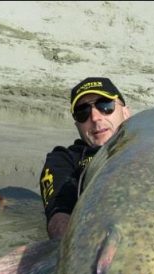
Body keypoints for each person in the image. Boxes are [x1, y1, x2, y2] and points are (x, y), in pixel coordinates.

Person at [39, 77, 131, 239]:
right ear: (77, 125)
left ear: (125, 113)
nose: (95, 117)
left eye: (105, 106)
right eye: (83, 112)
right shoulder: (63, 160)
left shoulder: (151, 148)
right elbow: (59, 214)